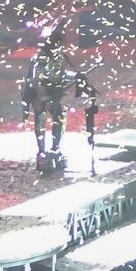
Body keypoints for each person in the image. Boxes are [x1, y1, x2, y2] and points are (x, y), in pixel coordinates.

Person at [22, 33, 92, 172]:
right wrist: (44, 99)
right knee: (41, 120)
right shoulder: (41, 59)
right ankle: (41, 152)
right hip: (39, 95)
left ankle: (56, 148)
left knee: (59, 118)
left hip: (53, 94)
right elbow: (37, 80)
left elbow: (61, 75)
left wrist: (77, 75)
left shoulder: (59, 57)